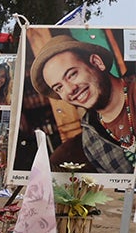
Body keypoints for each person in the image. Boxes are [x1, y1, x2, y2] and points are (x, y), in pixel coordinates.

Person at [38, 35, 135, 175]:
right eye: (59, 88)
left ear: (97, 62)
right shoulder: (90, 142)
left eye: (72, 74)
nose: (70, 90)